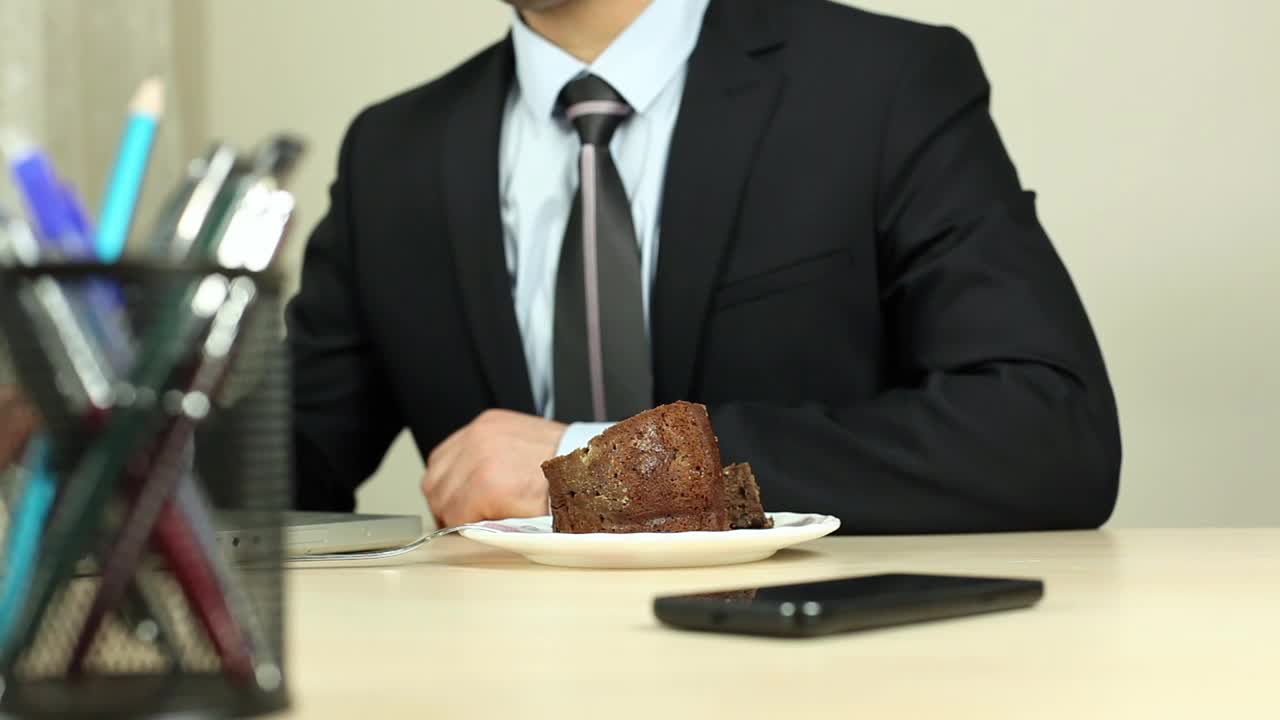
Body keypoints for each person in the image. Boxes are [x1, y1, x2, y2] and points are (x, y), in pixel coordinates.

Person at [2, 0, 1122, 534]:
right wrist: (84, 424)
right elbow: (282, 465)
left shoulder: (881, 83)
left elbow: (1046, 432)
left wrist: (592, 458)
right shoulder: (395, 152)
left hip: (816, 684)